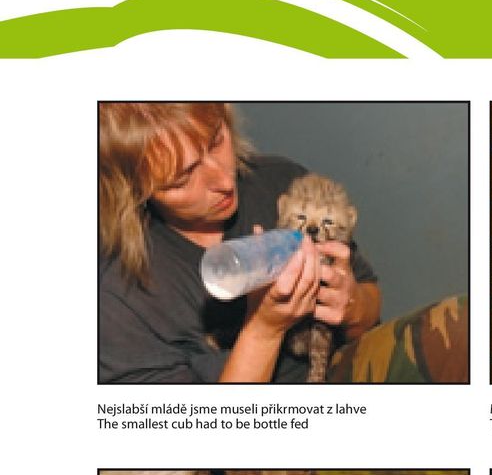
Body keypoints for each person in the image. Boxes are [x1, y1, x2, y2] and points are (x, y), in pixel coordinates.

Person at [98, 102, 467, 384]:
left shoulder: (280, 182)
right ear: (132, 192)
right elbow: (210, 447)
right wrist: (264, 328)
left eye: (216, 141)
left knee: (464, 323)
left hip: (333, 377)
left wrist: (350, 304)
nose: (224, 182)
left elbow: (369, 305)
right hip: (245, 446)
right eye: (181, 180)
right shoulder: (121, 297)